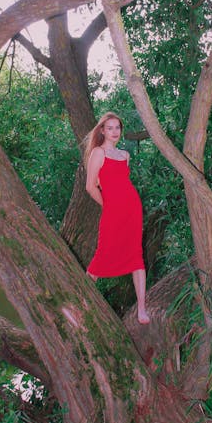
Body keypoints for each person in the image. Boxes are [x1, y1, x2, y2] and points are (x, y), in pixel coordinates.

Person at [85, 112, 150, 324]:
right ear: (102, 130)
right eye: (110, 128)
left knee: (136, 255)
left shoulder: (124, 155)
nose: (114, 132)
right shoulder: (98, 152)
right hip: (113, 210)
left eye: (117, 128)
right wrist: (107, 204)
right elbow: (90, 186)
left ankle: (142, 309)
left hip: (132, 208)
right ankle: (82, 300)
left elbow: (123, 184)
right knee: (102, 252)